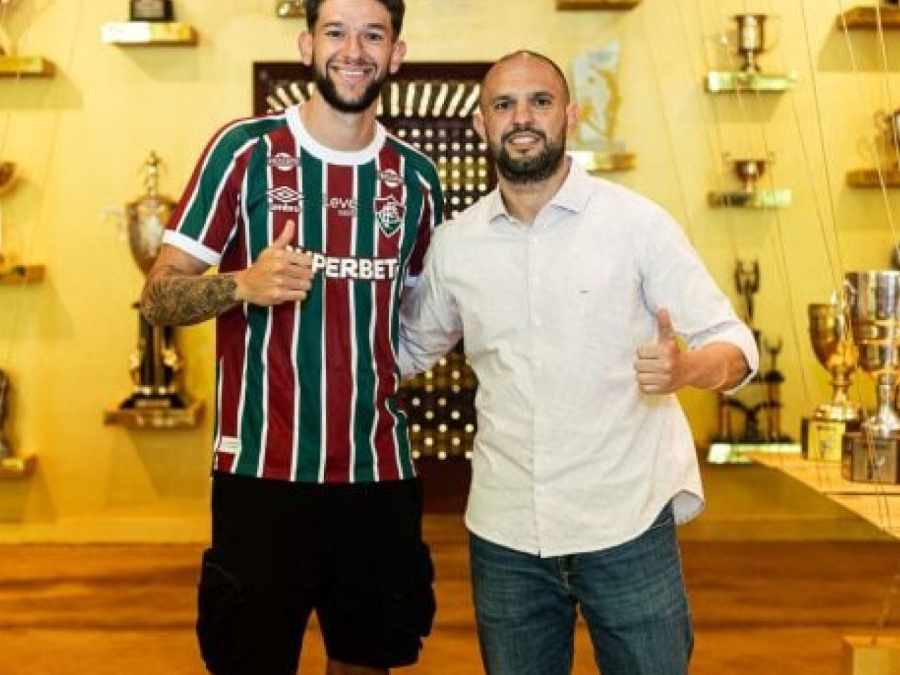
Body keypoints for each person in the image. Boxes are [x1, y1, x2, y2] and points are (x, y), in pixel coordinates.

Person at [398, 51, 759, 675]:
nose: (522, 118)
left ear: (572, 114)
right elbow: (403, 350)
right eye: (503, 105)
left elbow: (735, 343)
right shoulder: (457, 245)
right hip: (506, 535)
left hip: (625, 526)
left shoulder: (637, 225)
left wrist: (687, 371)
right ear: (480, 125)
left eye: (539, 101)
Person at [139, 1, 441, 673]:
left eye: (373, 34)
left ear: (397, 52)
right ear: (307, 45)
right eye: (336, 31)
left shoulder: (417, 179)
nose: (353, 48)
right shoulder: (242, 152)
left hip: (378, 478)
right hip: (261, 478)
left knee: (367, 661)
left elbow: (421, 317)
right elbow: (157, 296)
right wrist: (239, 284)